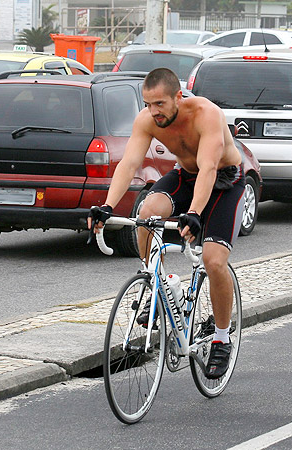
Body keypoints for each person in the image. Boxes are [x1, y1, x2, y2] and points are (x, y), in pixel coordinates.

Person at [88, 68, 246, 379]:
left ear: (178, 96)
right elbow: (130, 163)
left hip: (225, 181)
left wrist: (196, 213)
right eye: (147, 104)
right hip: (187, 176)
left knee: (214, 261)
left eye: (159, 103)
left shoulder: (206, 114)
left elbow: (210, 167)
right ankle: (157, 282)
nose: (153, 111)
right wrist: (107, 206)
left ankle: (222, 337)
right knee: (147, 213)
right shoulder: (147, 120)